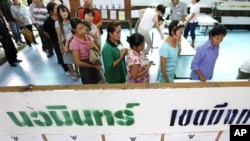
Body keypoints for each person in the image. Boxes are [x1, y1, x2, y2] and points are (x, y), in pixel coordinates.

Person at [69, 18, 102, 84]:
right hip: (85, 67)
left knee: (98, 82)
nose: (83, 30)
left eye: (83, 27)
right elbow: (78, 62)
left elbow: (98, 50)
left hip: (93, 61)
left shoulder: (88, 37)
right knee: (89, 85)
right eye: (80, 29)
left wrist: (94, 46)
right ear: (74, 30)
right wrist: (93, 66)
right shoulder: (74, 43)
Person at [43, 2, 70, 75]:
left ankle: (71, 68)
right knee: (60, 56)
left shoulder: (62, 17)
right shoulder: (48, 21)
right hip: (56, 41)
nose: (58, 9)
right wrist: (52, 38)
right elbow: (45, 32)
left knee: (68, 55)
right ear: (51, 11)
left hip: (66, 39)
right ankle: (66, 69)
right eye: (55, 8)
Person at [55, 4, 79, 80]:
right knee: (68, 60)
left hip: (74, 43)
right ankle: (73, 73)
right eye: (62, 12)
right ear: (59, 14)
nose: (64, 13)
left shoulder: (72, 21)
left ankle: (77, 71)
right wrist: (61, 47)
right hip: (65, 44)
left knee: (76, 58)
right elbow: (59, 36)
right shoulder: (57, 23)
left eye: (65, 10)